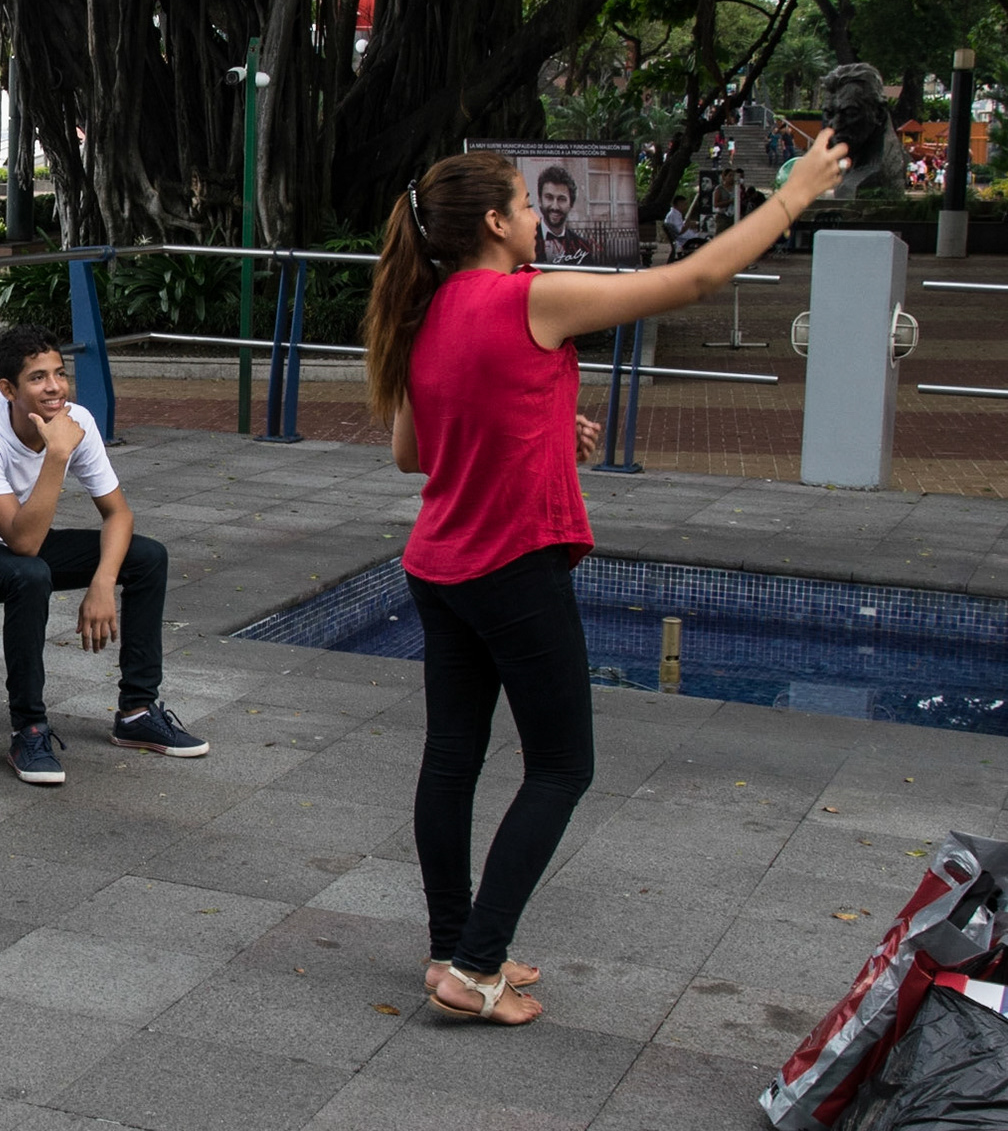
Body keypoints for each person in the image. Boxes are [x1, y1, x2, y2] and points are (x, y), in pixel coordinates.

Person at [361, 130, 849, 1025]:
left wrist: (549, 433)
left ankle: (453, 946)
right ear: (502, 221)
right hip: (510, 565)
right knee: (560, 765)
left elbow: (412, 453)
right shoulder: (528, 298)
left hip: (441, 565)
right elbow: (690, 281)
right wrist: (796, 195)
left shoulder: (428, 312)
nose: (544, 223)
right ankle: (473, 972)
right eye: (525, 203)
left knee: (452, 761)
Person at [0, 323, 207, 785]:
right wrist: (57, 454)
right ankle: (29, 728)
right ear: (7, 388)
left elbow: (118, 514)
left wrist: (101, 582)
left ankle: (137, 712)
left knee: (147, 557)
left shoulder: (76, 420)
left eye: (59, 373)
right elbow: (22, 544)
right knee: (30, 572)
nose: (54, 387)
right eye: (38, 378)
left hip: (24, 533)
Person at [533, 165, 593, 266]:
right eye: (549, 197)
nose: (555, 206)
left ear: (571, 204)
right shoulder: (525, 242)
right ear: (540, 201)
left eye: (561, 199)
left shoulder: (582, 246)